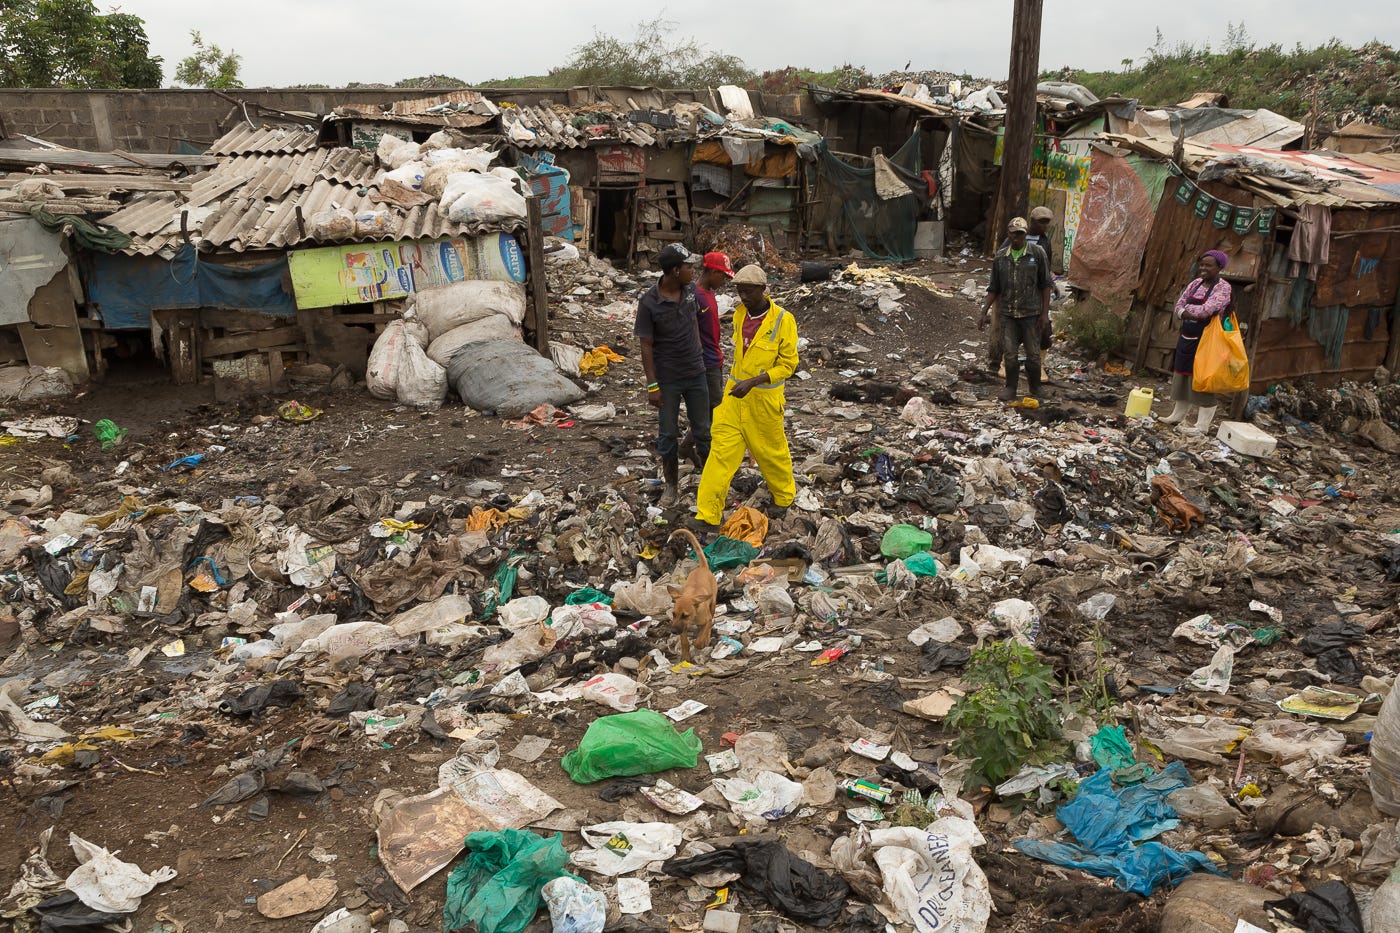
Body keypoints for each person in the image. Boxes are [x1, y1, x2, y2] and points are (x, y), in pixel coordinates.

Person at [694, 264, 799, 529]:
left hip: (763, 401)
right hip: (735, 398)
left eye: (749, 291)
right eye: (740, 291)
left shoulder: (782, 320)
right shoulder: (740, 315)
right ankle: (707, 515)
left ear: (763, 290)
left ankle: (784, 497)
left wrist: (755, 381)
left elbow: (788, 365)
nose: (744, 297)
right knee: (720, 453)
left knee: (770, 453)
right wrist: (742, 384)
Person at [635, 244, 711, 508]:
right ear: (675, 271)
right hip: (668, 378)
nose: (693, 270)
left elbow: (693, 320)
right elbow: (646, 345)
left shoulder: (690, 290)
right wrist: (652, 385)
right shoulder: (648, 303)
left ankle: (710, 481)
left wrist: (700, 349)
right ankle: (671, 485)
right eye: (689, 266)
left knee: (703, 431)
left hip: (696, 372)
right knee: (668, 433)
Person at [979, 217, 1051, 400]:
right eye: (1013, 233)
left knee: (1033, 355)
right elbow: (994, 288)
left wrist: (1044, 315)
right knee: (1010, 355)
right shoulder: (1001, 258)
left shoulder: (1037, 253)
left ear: (1025, 234)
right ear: (1008, 234)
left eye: (1020, 233)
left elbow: (1045, 285)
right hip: (1009, 314)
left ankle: (1035, 388)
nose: (1016, 237)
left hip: (1031, 314)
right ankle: (1011, 387)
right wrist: (983, 311)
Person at [1163, 249, 1233, 434]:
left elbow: (1207, 311)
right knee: (1182, 373)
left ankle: (1202, 425)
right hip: (1187, 335)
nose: (1203, 268)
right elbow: (1179, 305)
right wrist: (1187, 312)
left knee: (1203, 377)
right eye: (1202, 264)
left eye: (1208, 265)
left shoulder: (1223, 287)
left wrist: (1186, 312)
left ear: (1219, 267)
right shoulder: (1195, 283)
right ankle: (1177, 415)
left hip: (1207, 339)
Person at [987, 205, 1058, 375]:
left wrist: (1051, 286)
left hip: (1031, 297)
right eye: (1042, 222)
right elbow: (999, 269)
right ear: (1032, 221)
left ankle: (1037, 367)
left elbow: (1044, 272)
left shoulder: (1043, 244)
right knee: (1006, 331)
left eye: (1047, 222)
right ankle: (1002, 363)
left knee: (1039, 330)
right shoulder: (1009, 244)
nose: (1045, 226)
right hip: (1011, 295)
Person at [679, 251, 734, 467]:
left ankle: (686, 448)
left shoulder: (708, 292)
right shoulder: (694, 295)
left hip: (714, 358)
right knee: (713, 411)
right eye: (723, 276)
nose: (725, 281)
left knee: (711, 410)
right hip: (705, 362)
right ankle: (704, 457)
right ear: (711, 271)